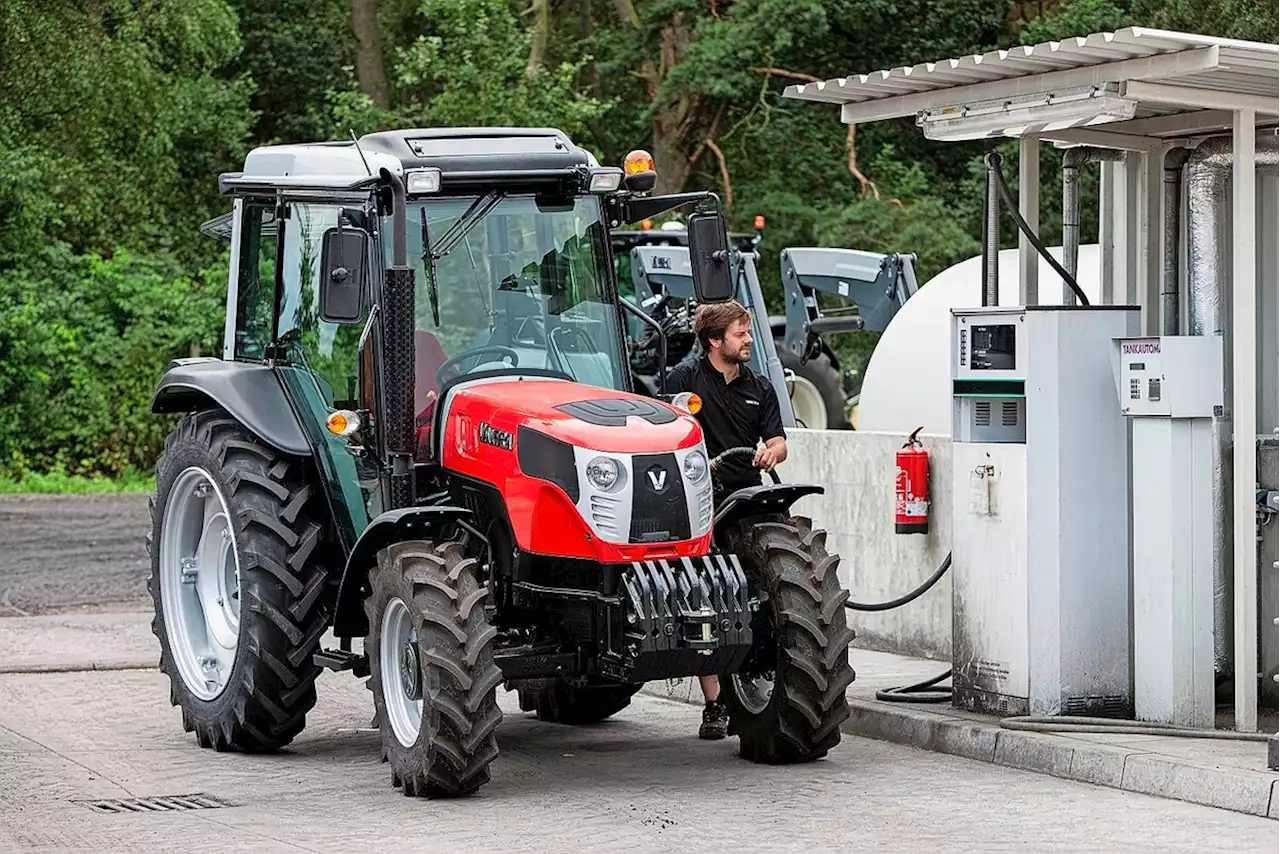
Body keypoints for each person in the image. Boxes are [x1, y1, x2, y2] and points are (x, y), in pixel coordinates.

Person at [664, 299, 788, 739]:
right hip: (699, 494)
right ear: (715, 341)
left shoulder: (762, 387)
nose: (749, 339)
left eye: (748, 332)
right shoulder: (683, 380)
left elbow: (778, 442)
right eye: (741, 334)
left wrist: (771, 451)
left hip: (746, 495)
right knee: (702, 589)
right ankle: (715, 704)